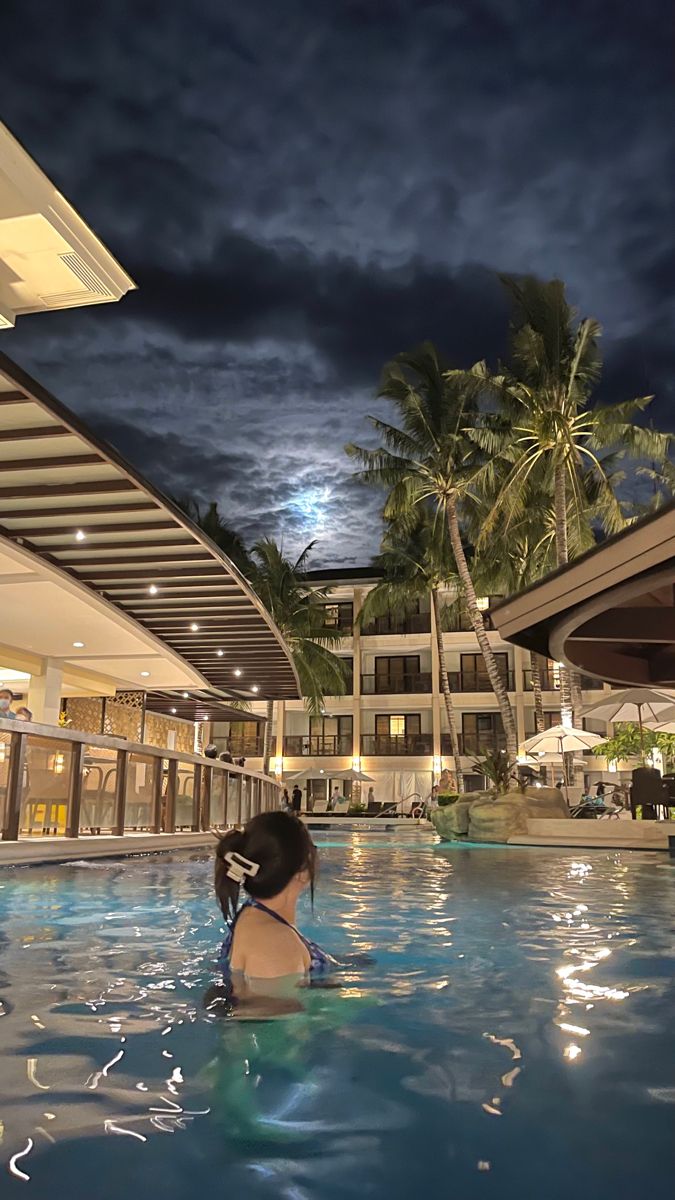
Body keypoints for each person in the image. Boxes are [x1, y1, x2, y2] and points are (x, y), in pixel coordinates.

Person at [216, 811, 333, 979]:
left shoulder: (253, 913)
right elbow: (264, 1004)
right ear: (301, 870)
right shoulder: (277, 945)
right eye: (312, 849)